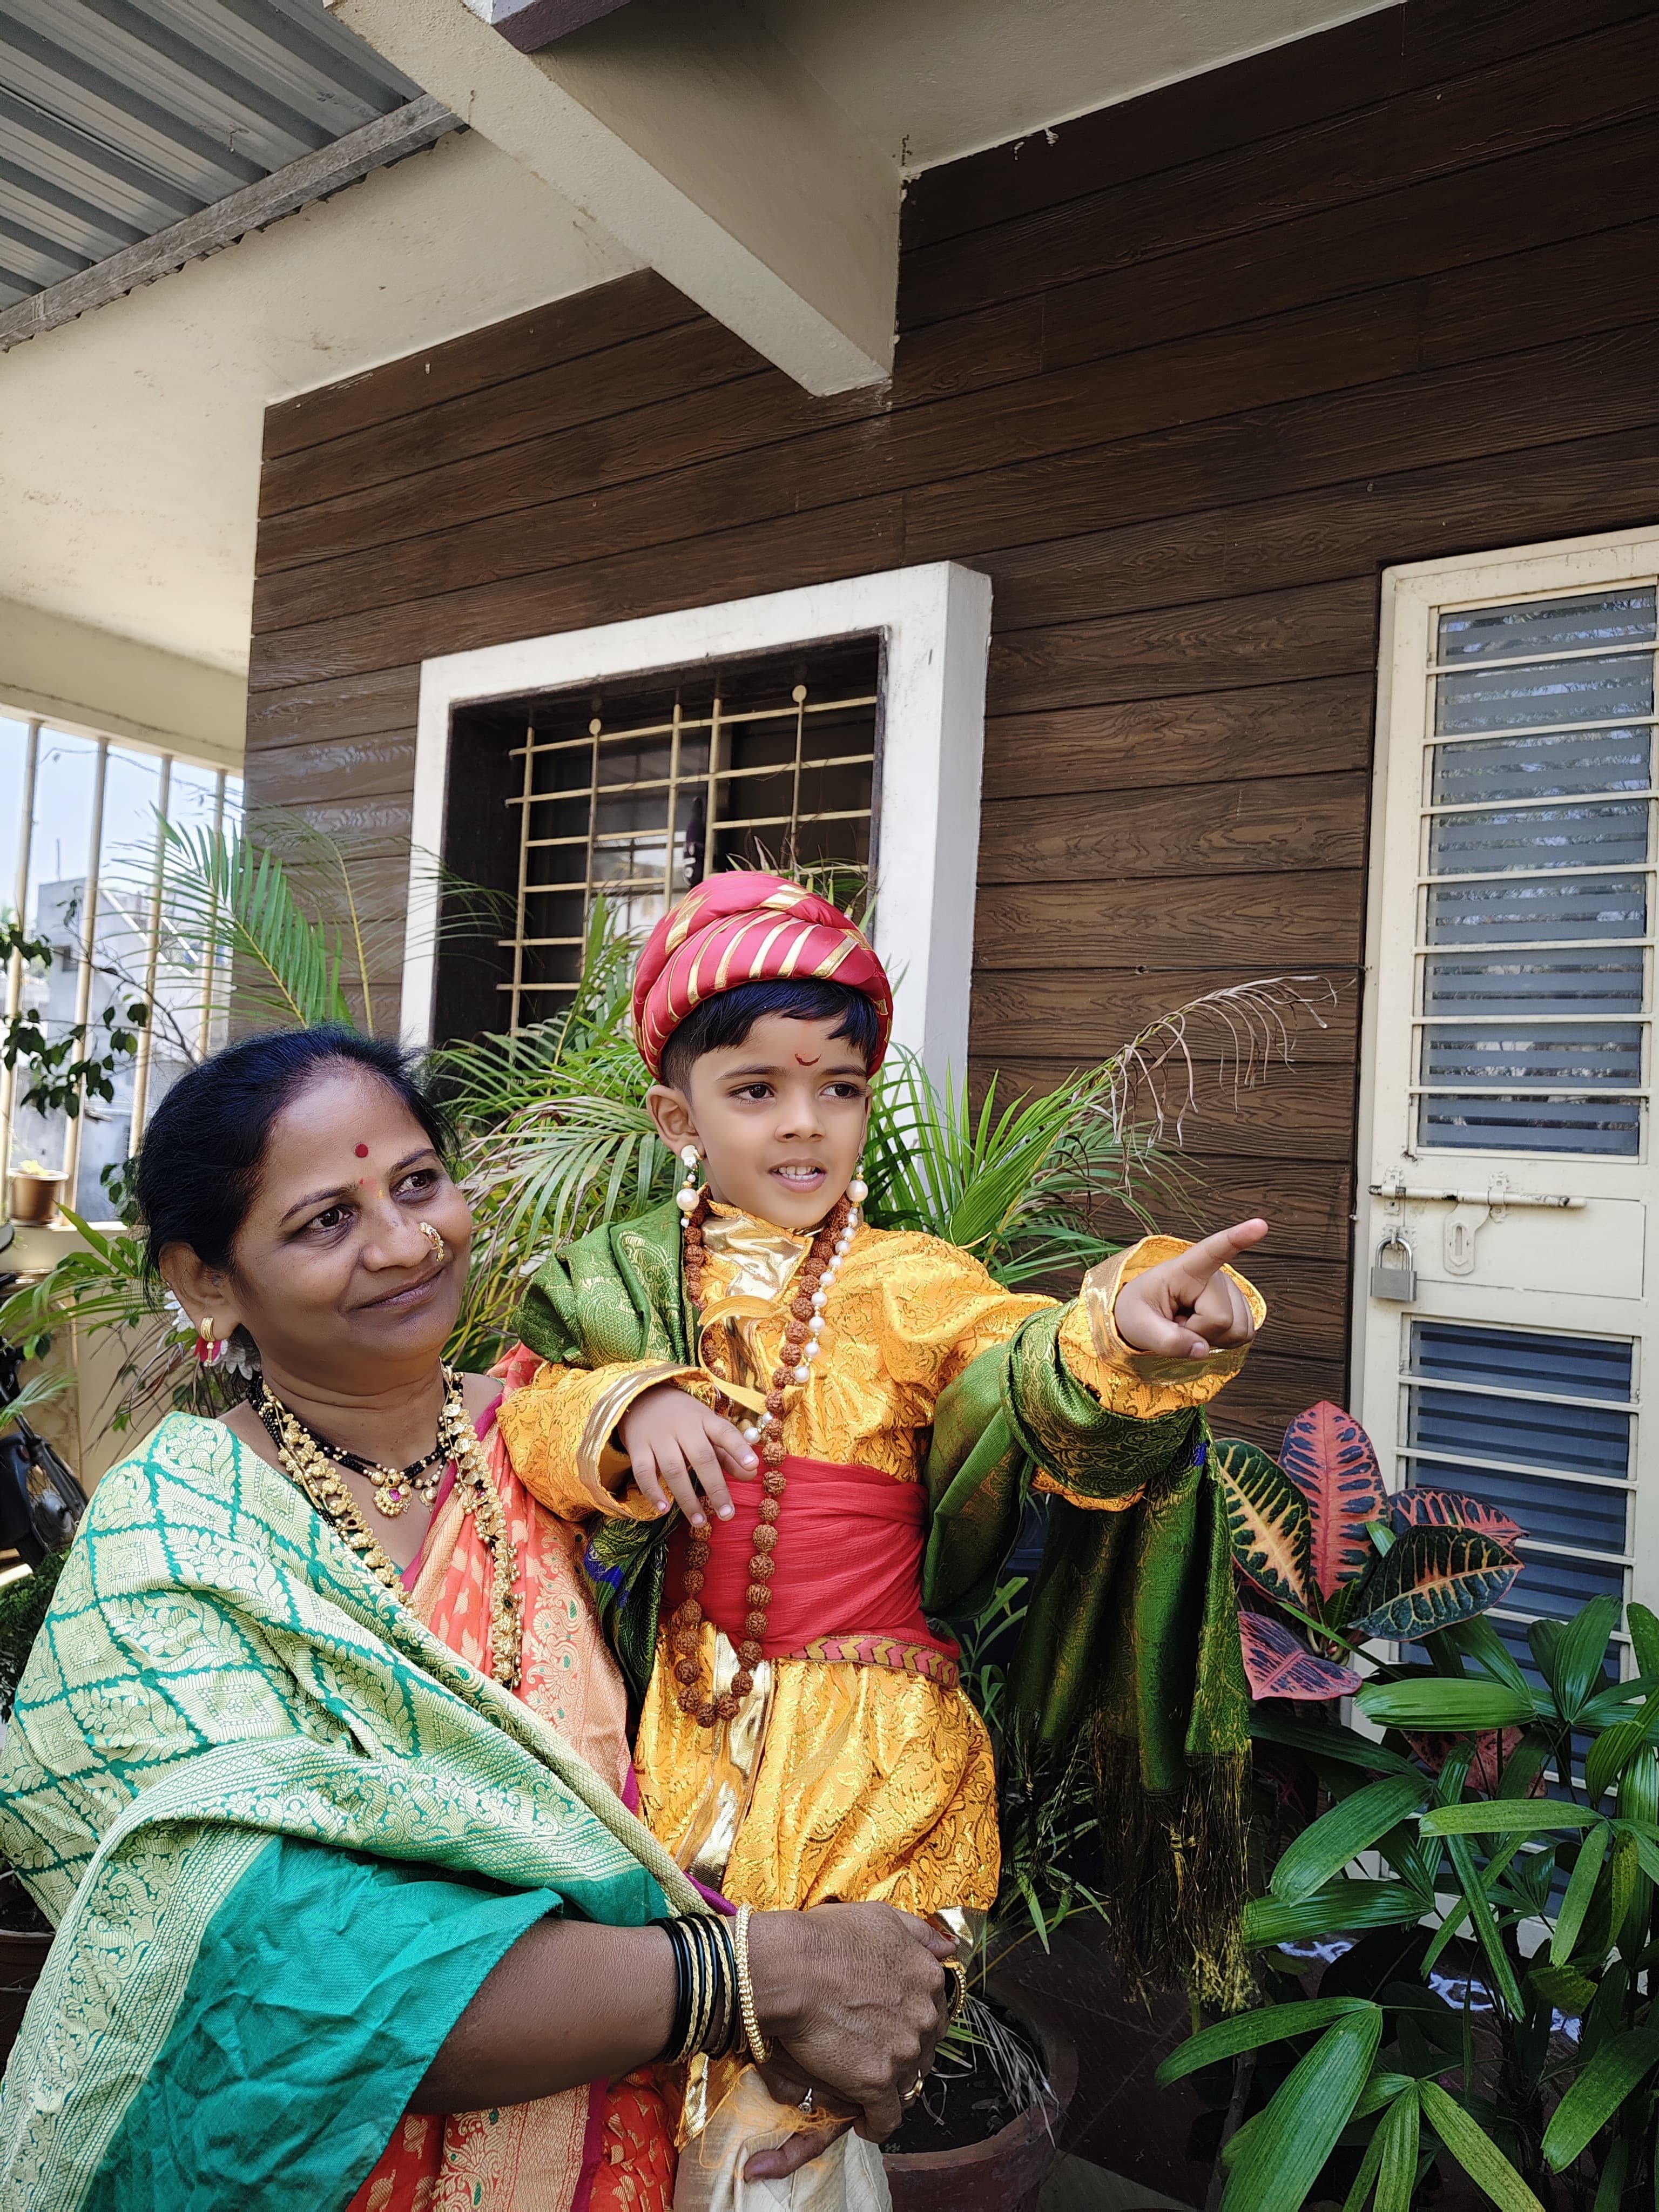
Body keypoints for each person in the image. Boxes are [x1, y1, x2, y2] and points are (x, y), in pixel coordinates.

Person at [0, 1030, 955, 2212]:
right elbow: (293, 1971)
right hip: (326, 2171)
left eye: (418, 1184)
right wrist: (759, 1978)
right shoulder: (176, 1538)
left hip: (633, 2145)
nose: (406, 1243)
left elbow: (781, 1713)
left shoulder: (583, 1452)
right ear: (206, 1280)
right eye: (326, 1220)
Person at [496, 872, 1268, 2195]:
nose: (806, 1122)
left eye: (840, 1086)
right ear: (676, 1116)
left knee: (789, 2115)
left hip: (870, 1743)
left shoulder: (915, 1282)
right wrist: (626, 1406)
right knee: (644, 2075)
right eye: (757, 1089)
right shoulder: (615, 1280)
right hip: (661, 1731)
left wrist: (1125, 1332)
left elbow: (1029, 1366)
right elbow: (520, 1416)